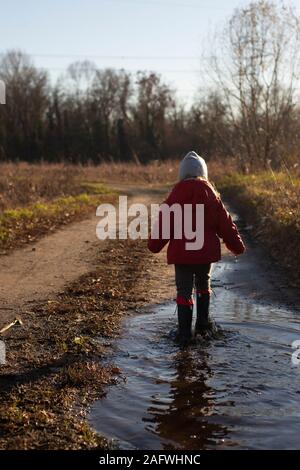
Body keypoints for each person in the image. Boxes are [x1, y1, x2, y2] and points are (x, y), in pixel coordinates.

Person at [148, 151, 245, 345]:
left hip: (182, 257)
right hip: (205, 255)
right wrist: (237, 246)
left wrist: (155, 245)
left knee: (183, 291)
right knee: (203, 284)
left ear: (181, 175)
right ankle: (203, 326)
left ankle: (184, 335)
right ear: (204, 174)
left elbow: (159, 236)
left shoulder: (173, 199)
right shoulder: (212, 198)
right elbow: (226, 226)